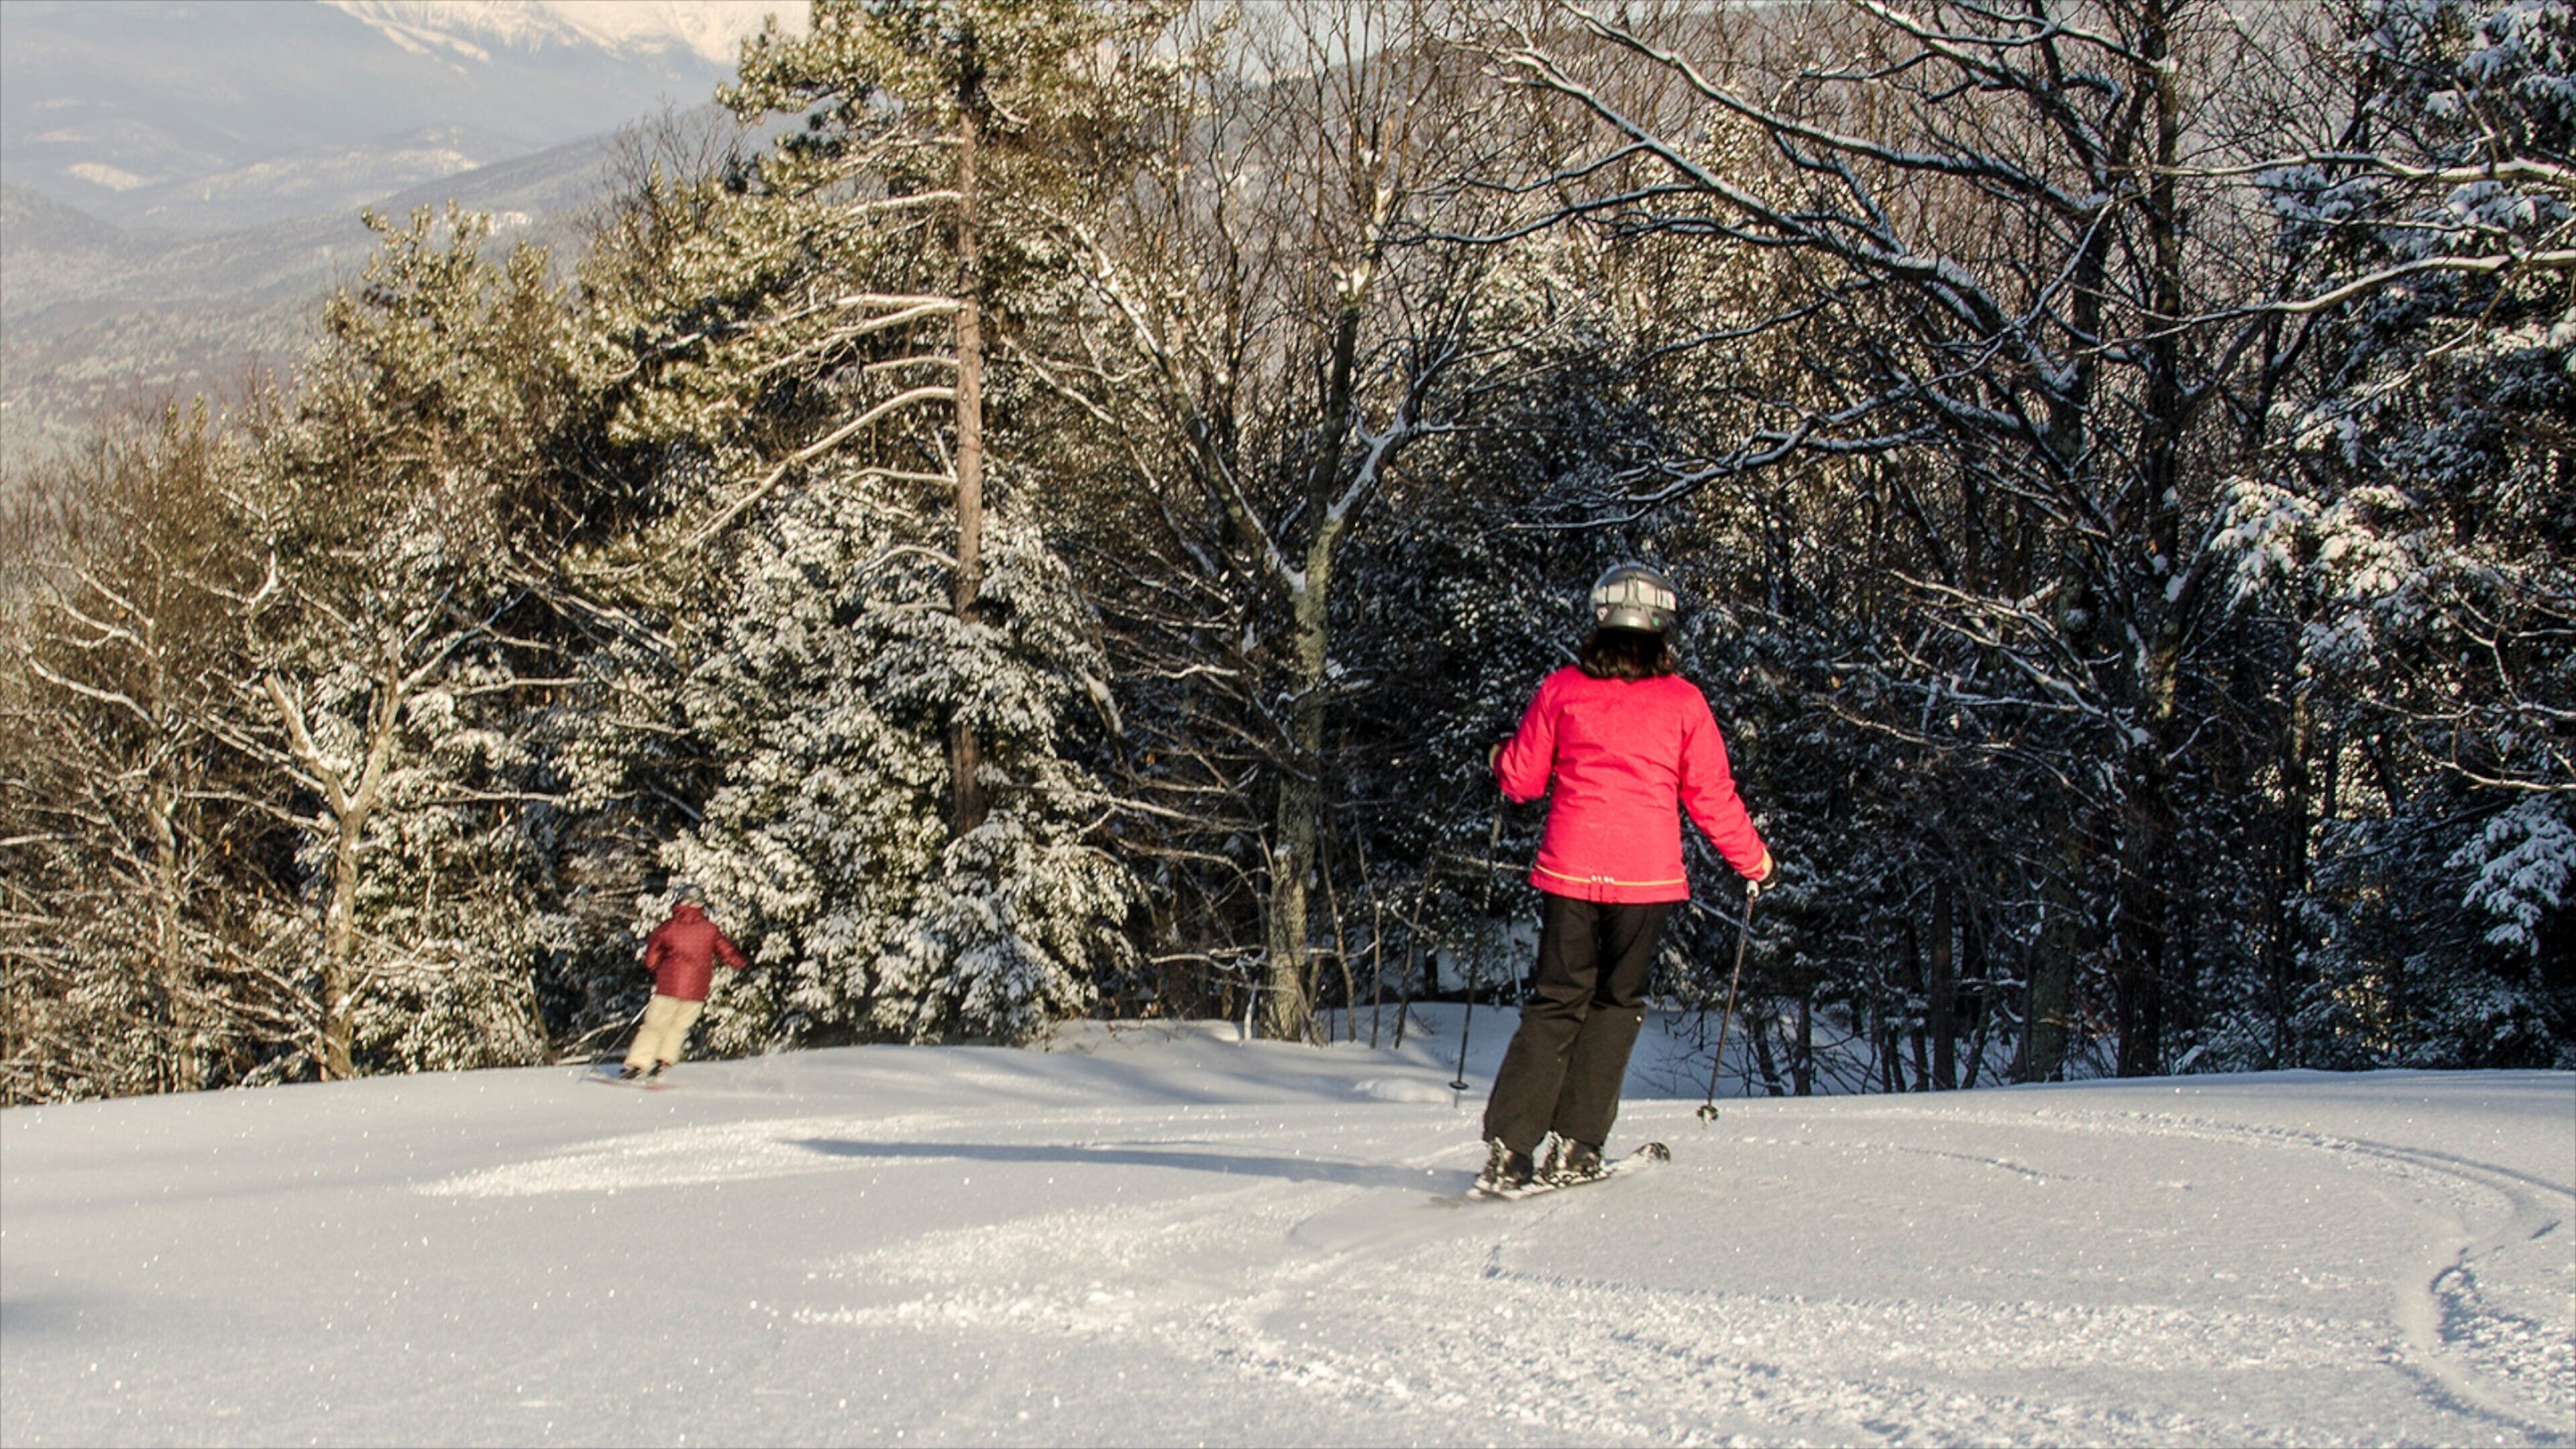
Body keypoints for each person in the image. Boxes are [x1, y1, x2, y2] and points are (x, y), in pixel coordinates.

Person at [1477, 562, 1774, 1191]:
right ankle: (1579, 1146)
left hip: (1568, 872)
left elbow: (1523, 782)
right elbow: (1711, 795)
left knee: (1556, 1002)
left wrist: (1502, 757)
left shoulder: (1562, 690)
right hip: (1646, 881)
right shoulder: (1684, 703)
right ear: (1663, 629)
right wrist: (1754, 860)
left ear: (1599, 621)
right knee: (1616, 1006)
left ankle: (1510, 1150)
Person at [619, 884, 749, 1081]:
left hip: (669, 986)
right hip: (697, 990)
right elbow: (728, 952)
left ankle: (639, 1064)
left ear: (680, 901)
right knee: (679, 1027)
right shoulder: (710, 930)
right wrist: (743, 965)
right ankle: (664, 1061)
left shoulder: (669, 927)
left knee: (655, 1026)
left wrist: (656, 966)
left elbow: (651, 959)